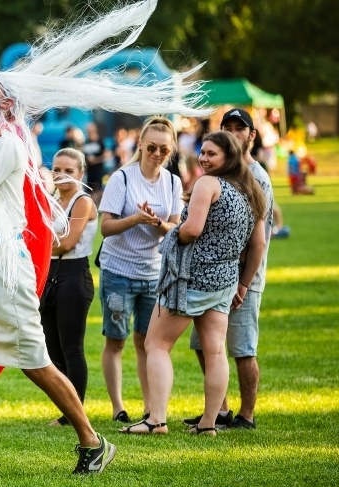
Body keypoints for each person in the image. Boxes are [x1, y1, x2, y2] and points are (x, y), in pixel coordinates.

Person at [0, 0, 208, 479]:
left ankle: (93, 441)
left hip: (3, 267)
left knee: (36, 364)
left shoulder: (7, 145)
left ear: (6, 103)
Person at [122, 130, 267, 436]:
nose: (203, 158)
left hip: (190, 278)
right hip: (225, 282)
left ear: (229, 156)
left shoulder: (207, 184)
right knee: (215, 352)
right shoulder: (251, 190)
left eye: (212, 153)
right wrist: (242, 284)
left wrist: (173, 232)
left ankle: (156, 420)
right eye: (202, 152)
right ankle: (208, 424)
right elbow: (259, 245)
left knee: (156, 344)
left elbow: (191, 230)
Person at [183, 109, 274, 430]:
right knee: (203, 345)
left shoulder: (256, 177)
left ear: (251, 135)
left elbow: (259, 241)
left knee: (242, 349)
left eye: (240, 128)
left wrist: (245, 282)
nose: (234, 133)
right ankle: (219, 410)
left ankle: (246, 415)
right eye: (228, 127)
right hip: (213, 277)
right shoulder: (220, 176)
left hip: (243, 278)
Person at [97, 116, 183, 423]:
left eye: (164, 149)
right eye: (152, 147)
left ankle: (150, 408)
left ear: (171, 151)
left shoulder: (172, 182)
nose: (157, 154)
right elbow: (105, 227)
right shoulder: (122, 178)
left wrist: (156, 222)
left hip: (152, 275)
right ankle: (118, 407)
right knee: (116, 340)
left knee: (148, 342)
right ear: (141, 145)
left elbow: (176, 229)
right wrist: (135, 218)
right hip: (118, 273)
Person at [40, 148, 98, 427]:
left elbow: (67, 243)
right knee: (52, 348)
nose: (61, 175)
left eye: (69, 170)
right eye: (57, 169)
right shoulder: (52, 200)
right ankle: (67, 406)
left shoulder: (82, 201)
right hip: (50, 273)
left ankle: (74, 414)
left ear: (81, 173)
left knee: (72, 348)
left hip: (74, 274)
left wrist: (36, 246)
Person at [81, 122, 106, 204]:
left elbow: (104, 155)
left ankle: (99, 204)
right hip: (89, 170)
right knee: (89, 188)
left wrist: (96, 160)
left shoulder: (100, 141)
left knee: (98, 187)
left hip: (98, 169)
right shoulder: (86, 142)